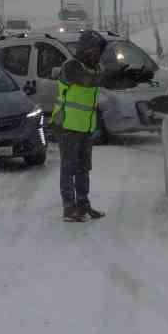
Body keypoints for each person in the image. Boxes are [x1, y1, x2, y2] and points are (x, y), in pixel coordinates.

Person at [52, 30, 106, 222]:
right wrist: (114, 76)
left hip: (84, 127)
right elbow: (88, 81)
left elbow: (99, 79)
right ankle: (69, 209)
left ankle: (83, 205)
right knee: (68, 169)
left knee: (83, 168)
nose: (97, 54)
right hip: (67, 126)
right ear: (84, 49)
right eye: (94, 50)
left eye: (99, 51)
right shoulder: (72, 67)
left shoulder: (95, 67)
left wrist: (129, 77)